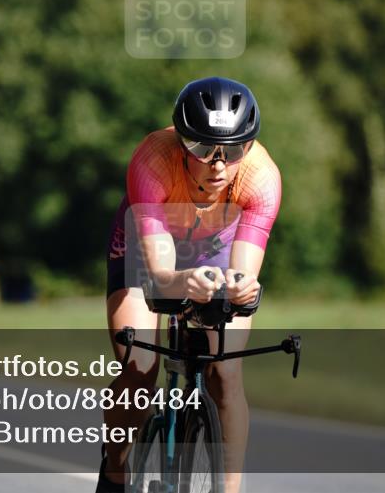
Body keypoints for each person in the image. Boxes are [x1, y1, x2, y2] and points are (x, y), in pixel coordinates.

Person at [99, 77, 282, 493]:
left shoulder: (261, 179)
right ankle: (115, 470)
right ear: (181, 143)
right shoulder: (151, 162)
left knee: (226, 375)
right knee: (139, 368)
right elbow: (162, 276)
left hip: (212, 249)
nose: (218, 165)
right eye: (203, 149)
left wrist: (243, 292)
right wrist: (182, 282)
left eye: (234, 150)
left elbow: (244, 273)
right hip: (147, 250)